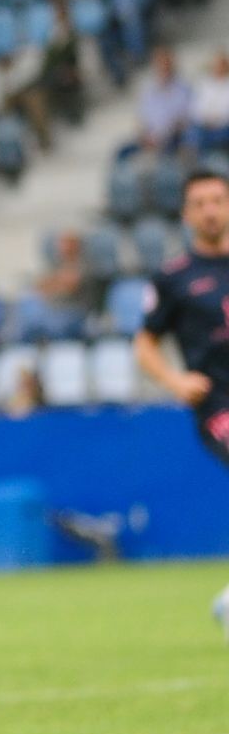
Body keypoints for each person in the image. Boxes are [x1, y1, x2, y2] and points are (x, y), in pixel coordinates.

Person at [134, 169, 229, 634]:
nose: (211, 209)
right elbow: (144, 342)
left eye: (218, 200)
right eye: (201, 202)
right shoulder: (174, 277)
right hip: (219, 404)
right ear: (187, 213)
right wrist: (174, 380)